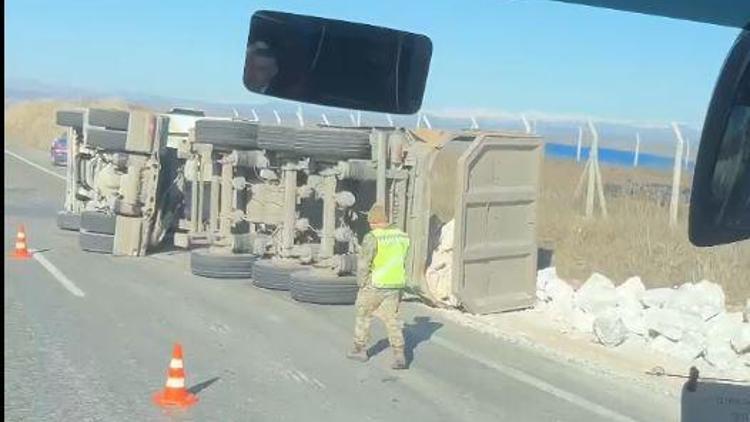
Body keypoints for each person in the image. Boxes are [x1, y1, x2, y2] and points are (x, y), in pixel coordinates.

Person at [347, 204, 410, 370]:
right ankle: (399, 355)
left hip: (375, 285)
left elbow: (364, 263)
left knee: (363, 315)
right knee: (392, 320)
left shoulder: (372, 237)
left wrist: (361, 283)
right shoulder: (402, 236)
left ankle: (359, 350)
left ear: (373, 221)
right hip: (395, 284)